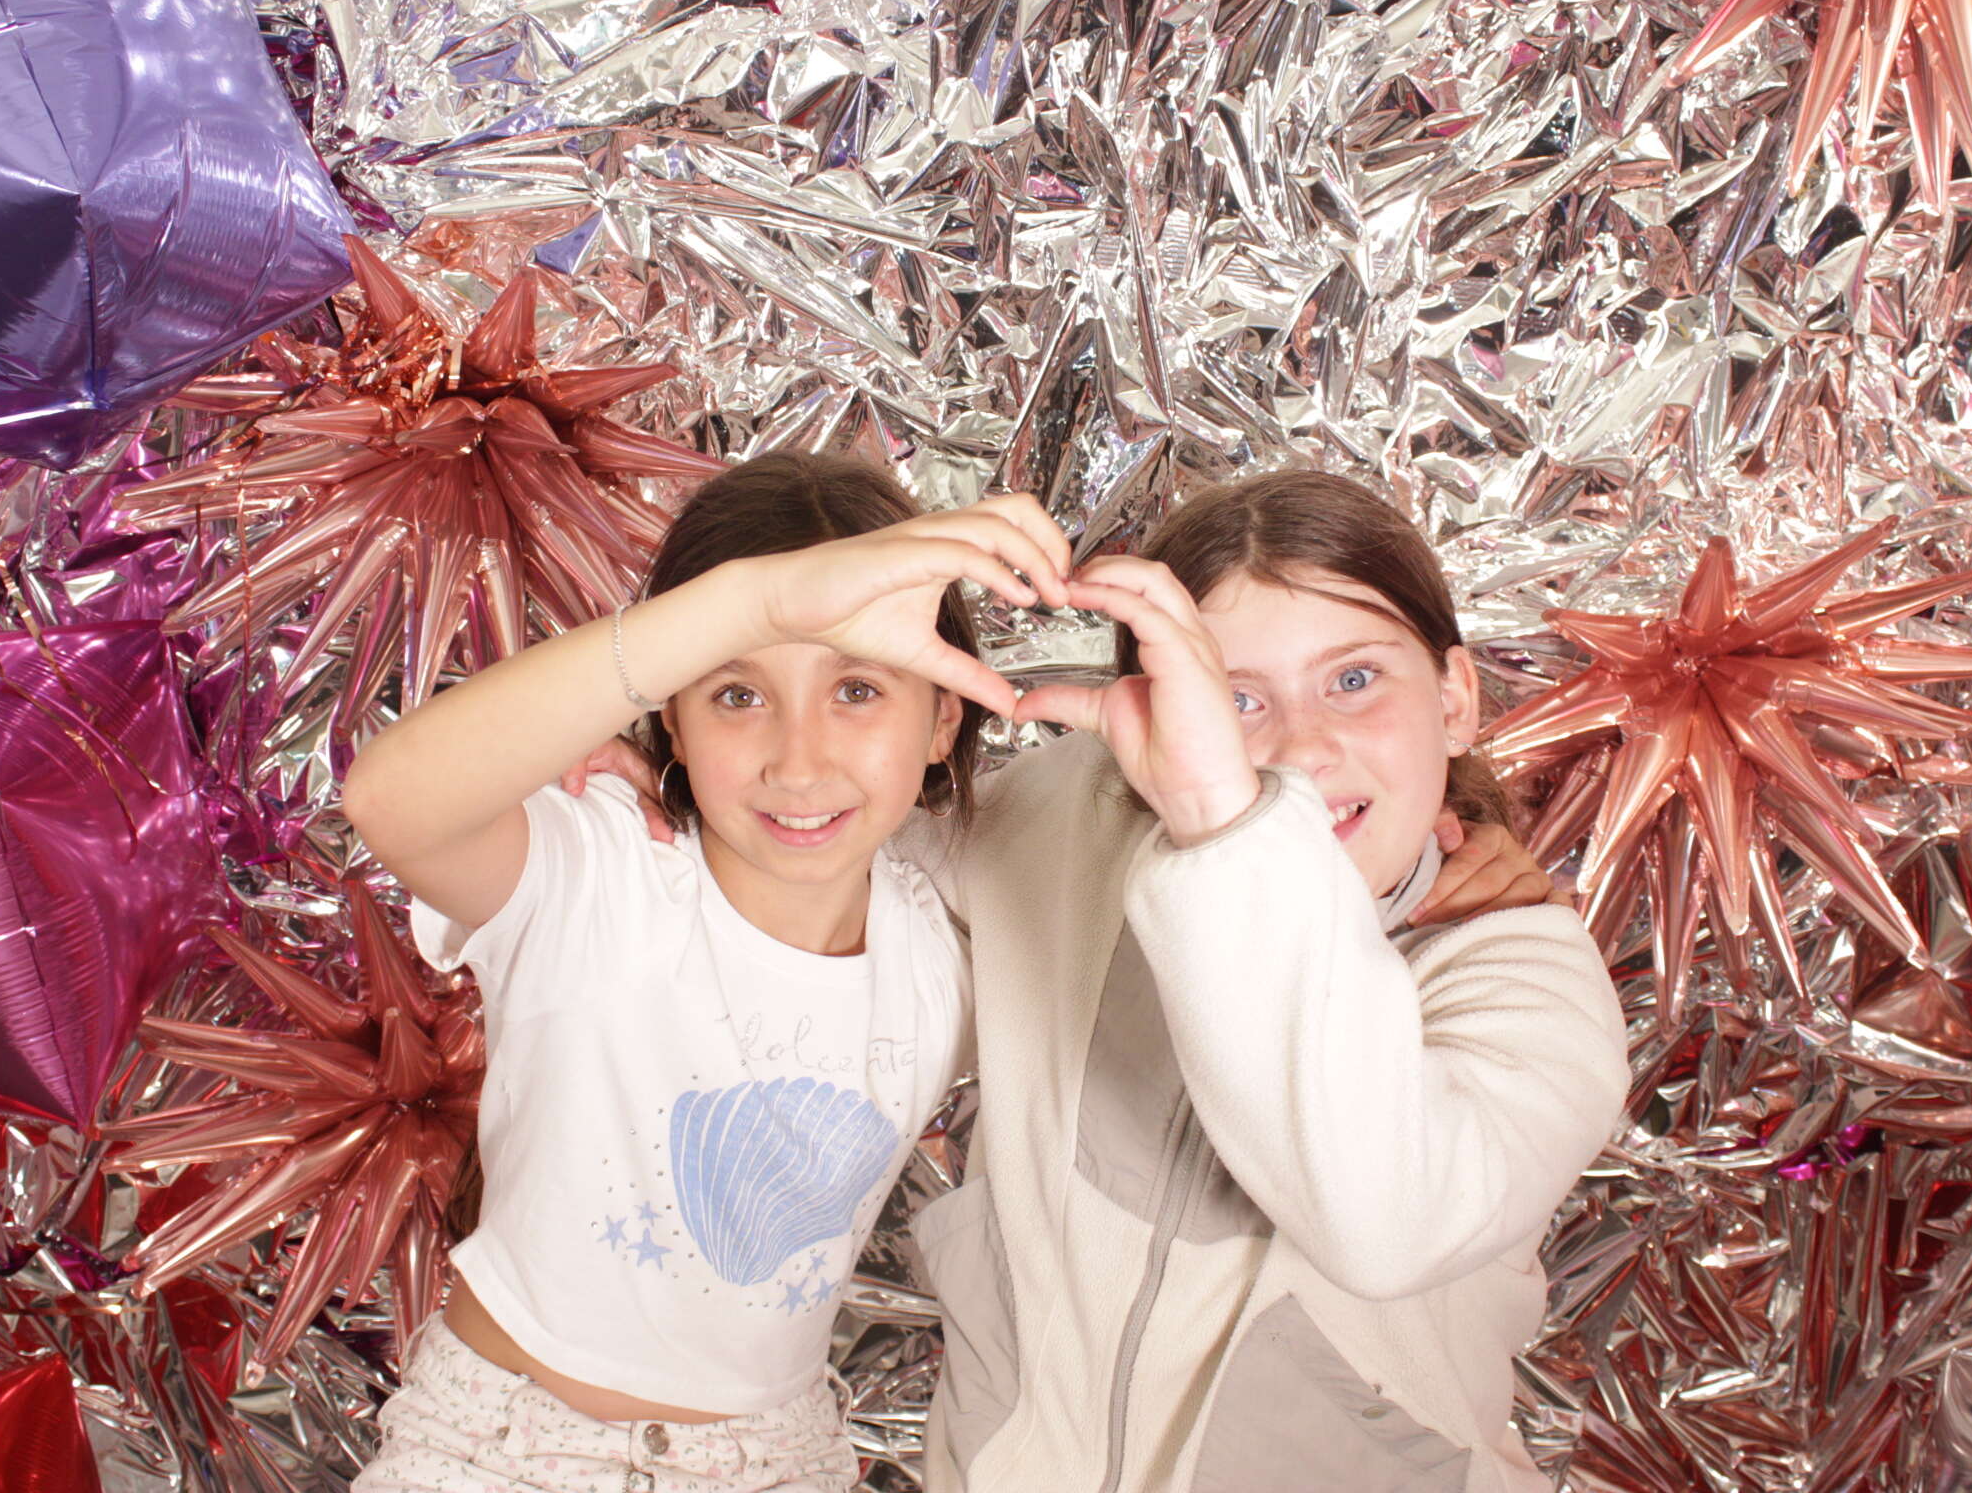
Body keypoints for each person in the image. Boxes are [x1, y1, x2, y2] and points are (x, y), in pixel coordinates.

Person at [576, 467, 1630, 1491]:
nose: (1303, 749)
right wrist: (659, 789)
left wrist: (1230, 818)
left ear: (1454, 699)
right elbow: (831, 859)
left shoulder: (1525, 976)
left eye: (1355, 680)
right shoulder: (1081, 818)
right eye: (1233, 696)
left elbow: (1387, 1223)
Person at [340, 451, 1077, 1493]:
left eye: (857, 690)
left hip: (779, 1459)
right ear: (671, 719)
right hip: (500, 1449)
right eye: (737, 693)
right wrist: (751, 601)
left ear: (943, 718)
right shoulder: (602, 868)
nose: (798, 761)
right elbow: (390, 799)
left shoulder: (945, 949)